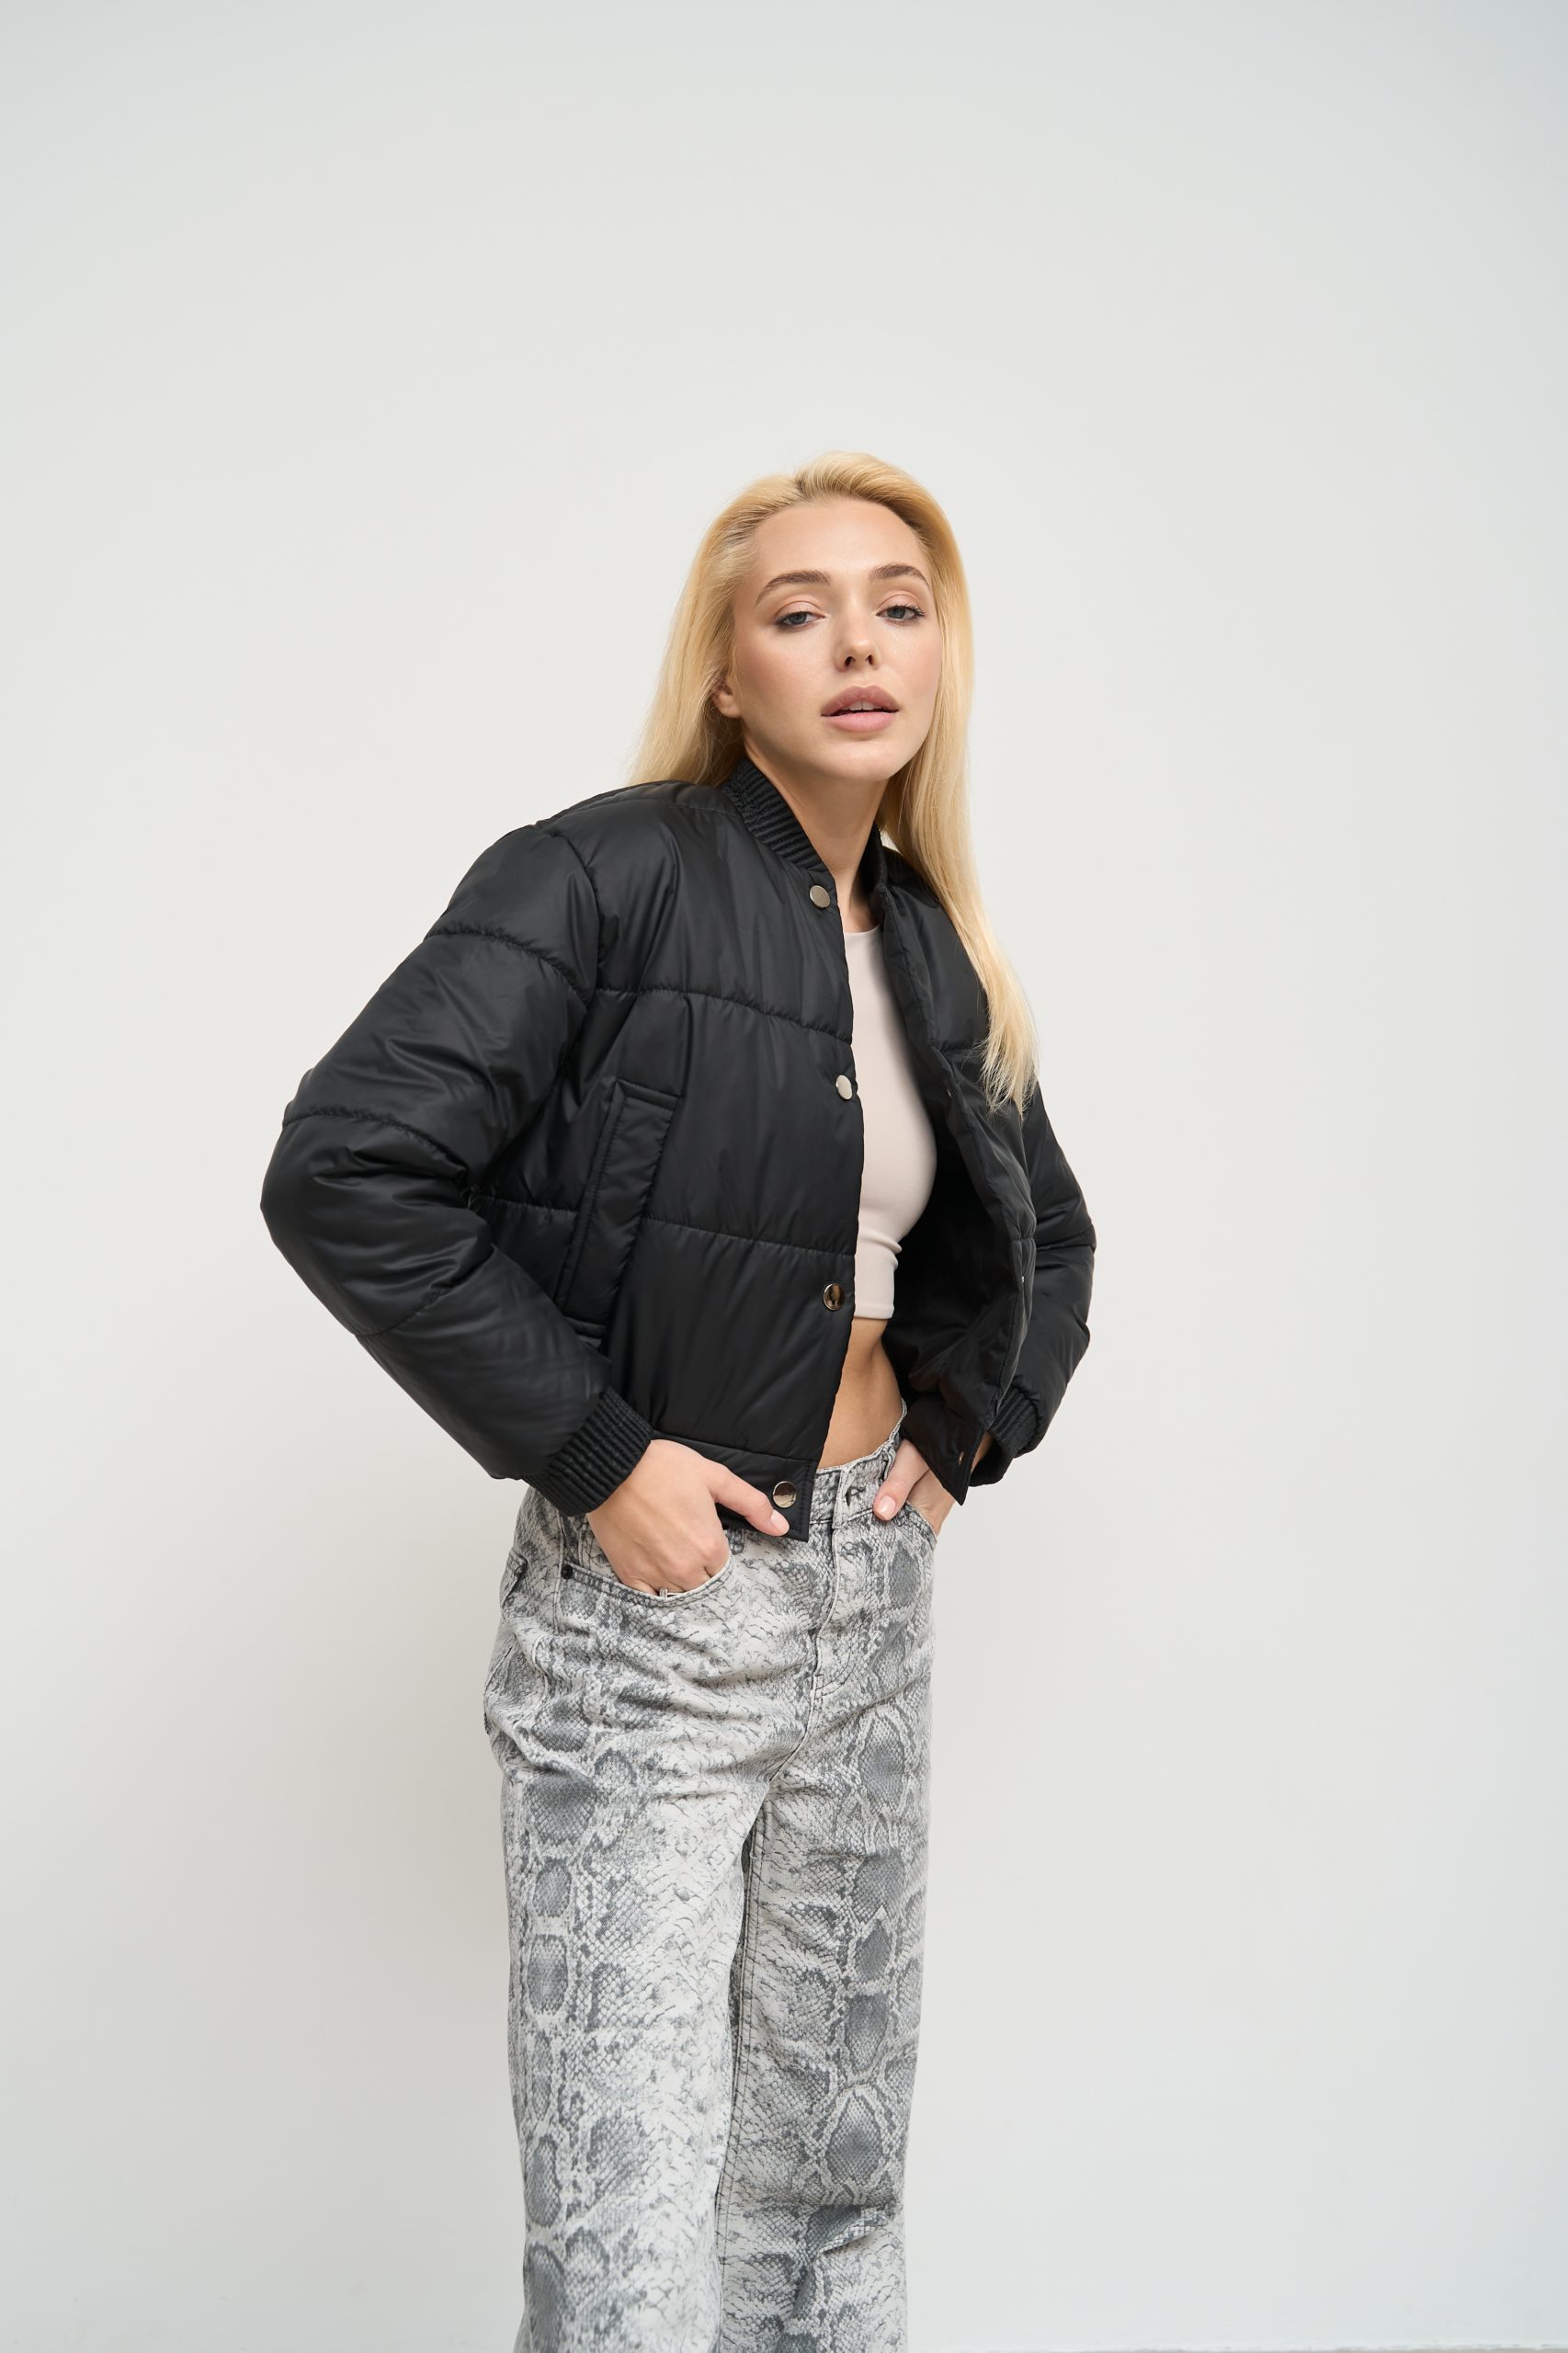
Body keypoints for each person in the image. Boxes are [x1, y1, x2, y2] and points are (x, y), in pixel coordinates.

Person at [259, 449, 1096, 2351]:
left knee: (826, 2200)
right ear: (727, 671)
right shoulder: (598, 874)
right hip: (649, 1623)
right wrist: (597, 1452)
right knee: (630, 2234)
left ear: (942, 654)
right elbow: (347, 1168)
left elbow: (1046, 1234)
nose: (858, 645)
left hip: (871, 1609)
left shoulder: (933, 944)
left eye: (898, 605)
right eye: (799, 612)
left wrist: (958, 1434)